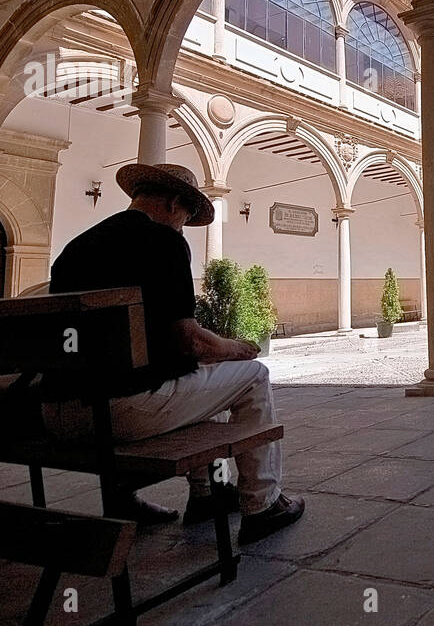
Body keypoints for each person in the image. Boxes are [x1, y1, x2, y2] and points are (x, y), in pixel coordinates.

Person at [40, 162, 304, 545]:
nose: (184, 224)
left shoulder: (76, 247)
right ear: (175, 203)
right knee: (252, 376)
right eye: (187, 215)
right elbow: (191, 341)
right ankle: (262, 504)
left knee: (199, 380)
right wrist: (234, 348)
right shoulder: (163, 241)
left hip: (57, 412)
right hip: (120, 410)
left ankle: (207, 493)